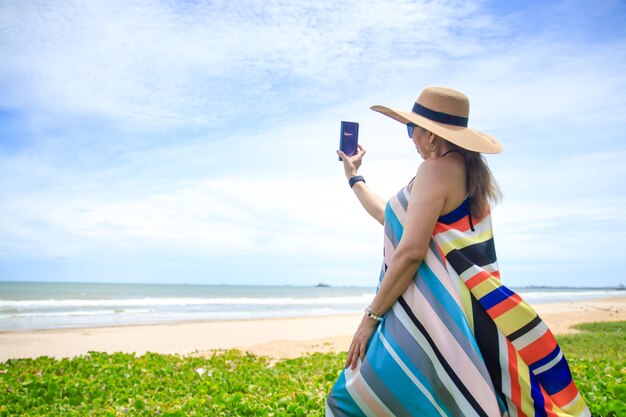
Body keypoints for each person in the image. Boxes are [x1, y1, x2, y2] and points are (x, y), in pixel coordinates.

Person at [326, 87, 590, 417]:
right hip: (447, 314)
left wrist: (370, 318)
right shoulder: (465, 171)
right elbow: (389, 217)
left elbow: (410, 251)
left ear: (432, 136)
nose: (411, 139)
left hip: (428, 312)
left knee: (347, 401)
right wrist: (355, 178)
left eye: (411, 129)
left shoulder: (435, 170)